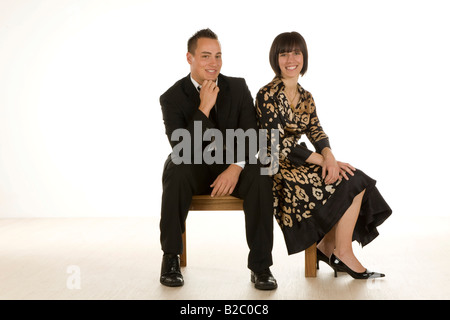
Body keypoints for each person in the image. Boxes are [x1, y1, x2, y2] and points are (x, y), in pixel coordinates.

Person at [255, 31, 392, 279]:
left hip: (299, 163)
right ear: (275, 59)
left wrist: (329, 156)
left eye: (296, 53)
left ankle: (331, 248)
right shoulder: (267, 95)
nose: (290, 59)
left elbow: (316, 130)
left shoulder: (306, 96)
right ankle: (341, 253)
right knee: (342, 179)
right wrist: (323, 161)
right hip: (275, 169)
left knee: (355, 178)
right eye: (283, 54)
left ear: (304, 57)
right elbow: (276, 144)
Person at [159, 29, 277, 289]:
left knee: (261, 173)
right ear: (189, 58)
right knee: (176, 168)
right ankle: (170, 258)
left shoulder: (237, 87)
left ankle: (261, 267)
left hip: (233, 168)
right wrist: (203, 107)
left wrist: (235, 168)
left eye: (218, 56)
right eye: (205, 56)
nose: (213, 63)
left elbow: (251, 135)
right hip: (194, 170)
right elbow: (182, 148)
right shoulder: (172, 97)